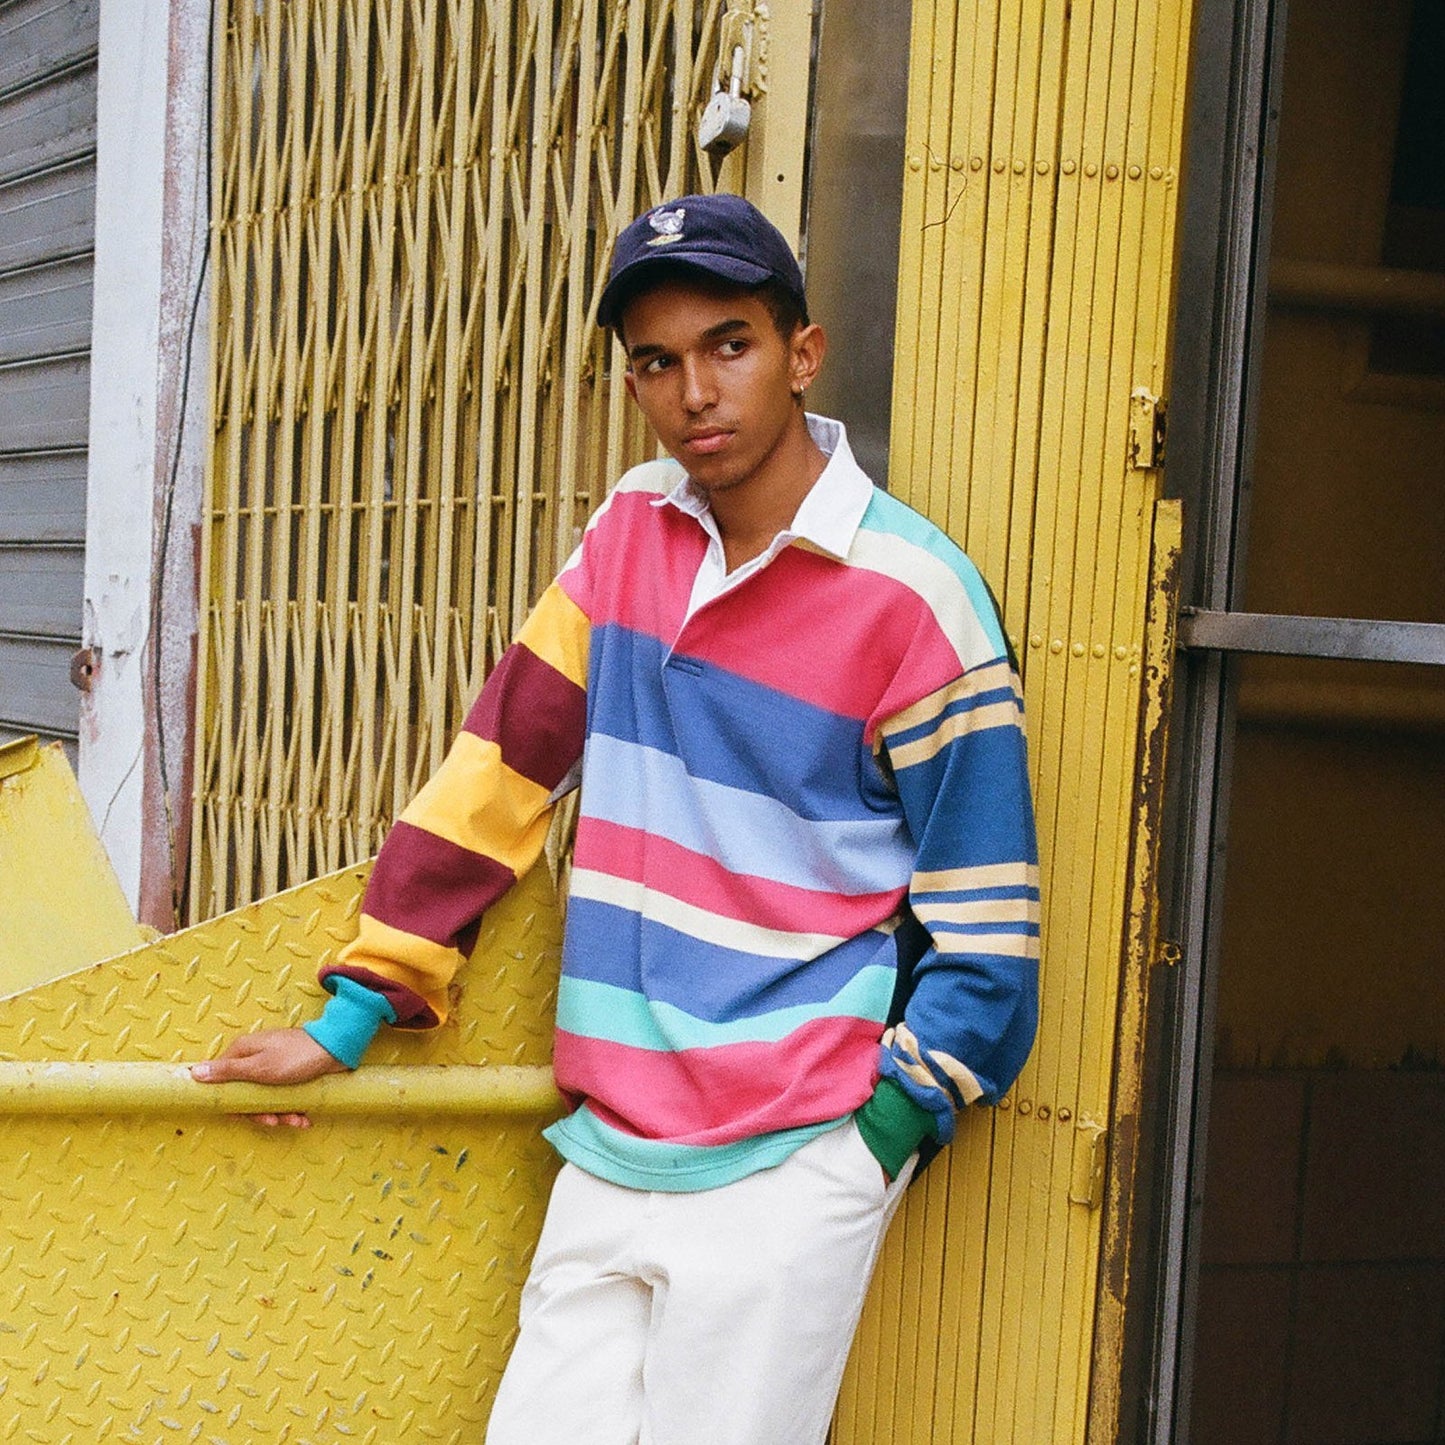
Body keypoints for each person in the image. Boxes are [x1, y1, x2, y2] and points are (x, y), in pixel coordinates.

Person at [192, 192, 1041, 1444]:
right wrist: (357, 1006)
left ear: (801, 354)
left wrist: (882, 1125)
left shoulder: (916, 600)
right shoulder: (627, 533)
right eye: (656, 360)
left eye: (728, 344)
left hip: (794, 1153)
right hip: (608, 1140)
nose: (694, 389)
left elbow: (989, 917)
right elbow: (499, 767)